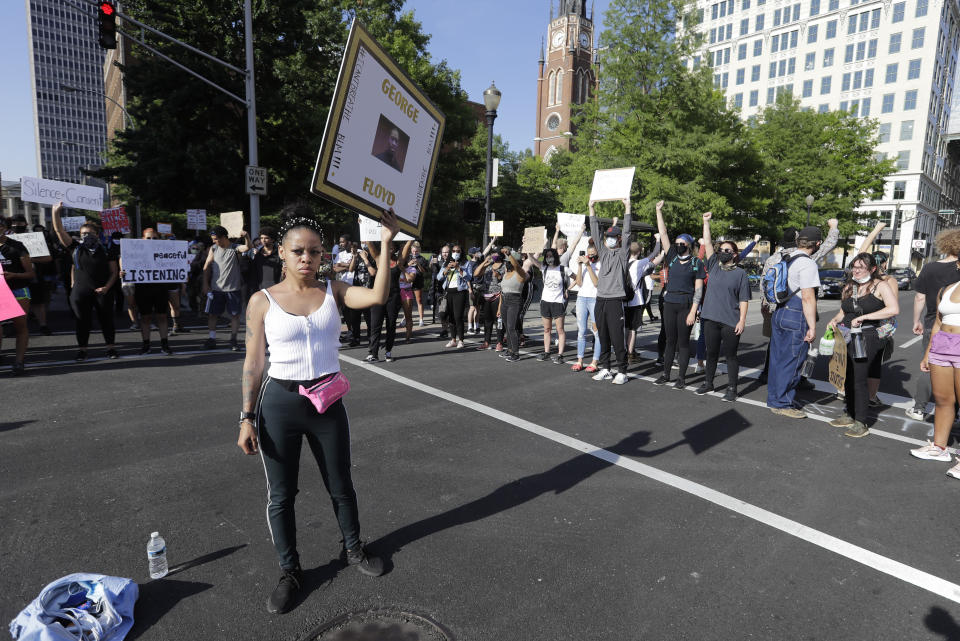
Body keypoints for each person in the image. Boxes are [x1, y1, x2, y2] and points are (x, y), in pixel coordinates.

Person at [238, 210, 396, 615]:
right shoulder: (263, 300)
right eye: (298, 251)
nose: (306, 258)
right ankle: (290, 571)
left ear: (322, 255)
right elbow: (254, 363)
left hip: (327, 403)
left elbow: (377, 296)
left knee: (341, 482)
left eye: (313, 251)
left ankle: (354, 549)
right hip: (279, 405)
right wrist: (246, 417)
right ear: (283, 255)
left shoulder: (335, 290)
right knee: (282, 494)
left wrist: (387, 242)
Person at [825, 253, 899, 436]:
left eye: (861, 267)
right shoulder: (851, 285)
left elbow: (893, 309)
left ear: (873, 269)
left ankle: (861, 421)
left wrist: (865, 317)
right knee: (847, 375)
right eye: (854, 267)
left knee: (859, 378)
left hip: (868, 336)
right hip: (846, 336)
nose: (856, 270)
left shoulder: (880, 285)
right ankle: (849, 413)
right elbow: (844, 310)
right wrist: (834, 320)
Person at [759, 219, 840, 385]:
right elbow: (829, 244)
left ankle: (768, 375)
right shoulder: (804, 256)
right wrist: (834, 227)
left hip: (775, 307)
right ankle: (795, 381)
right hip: (797, 309)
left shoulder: (773, 259)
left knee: (776, 346)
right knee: (798, 347)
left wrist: (765, 303)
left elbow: (763, 282)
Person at [766, 226, 823, 418]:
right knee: (792, 359)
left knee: (777, 359)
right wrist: (812, 327)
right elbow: (808, 297)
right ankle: (782, 403)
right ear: (817, 244)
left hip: (781, 311)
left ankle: (775, 398)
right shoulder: (808, 264)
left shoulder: (787, 258)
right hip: (796, 314)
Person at [51, 203, 120, 361]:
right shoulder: (75, 248)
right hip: (81, 292)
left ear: (97, 234)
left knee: (107, 320)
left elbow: (114, 272)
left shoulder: (107, 250)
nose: (86, 236)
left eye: (89, 233)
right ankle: (82, 350)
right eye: (83, 234)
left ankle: (111, 348)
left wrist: (107, 287)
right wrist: (55, 213)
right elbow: (59, 231)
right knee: (82, 322)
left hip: (103, 291)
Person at [696, 213, 752, 400]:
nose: (723, 252)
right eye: (722, 249)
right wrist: (706, 222)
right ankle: (708, 383)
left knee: (730, 356)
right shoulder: (713, 265)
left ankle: (732, 389)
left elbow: (744, 299)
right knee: (710, 354)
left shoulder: (741, 274)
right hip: (710, 318)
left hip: (730, 322)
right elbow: (709, 243)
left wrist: (742, 321)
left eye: (728, 250)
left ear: (735, 254)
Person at [906, 227, 960, 420]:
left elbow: (919, 298)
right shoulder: (958, 268)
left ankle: (919, 408)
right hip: (955, 324)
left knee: (929, 365)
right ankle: (953, 413)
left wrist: (915, 321)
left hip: (933, 321)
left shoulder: (930, 268)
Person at [653, 201, 706, 389]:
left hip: (686, 304)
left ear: (689, 245)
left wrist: (693, 311)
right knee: (670, 341)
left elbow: (698, 290)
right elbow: (664, 233)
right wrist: (659, 211)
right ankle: (666, 374)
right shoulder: (672, 257)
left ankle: (681, 378)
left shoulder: (696, 263)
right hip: (670, 303)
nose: (678, 246)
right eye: (676, 244)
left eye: (681, 244)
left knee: (683, 343)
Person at [585, 202, 633, 385]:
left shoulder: (622, 254)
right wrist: (591, 208)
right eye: (608, 237)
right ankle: (605, 368)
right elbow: (595, 232)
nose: (610, 239)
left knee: (616, 336)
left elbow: (627, 233)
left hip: (614, 301)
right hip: (600, 299)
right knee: (602, 335)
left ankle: (622, 370)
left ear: (619, 239)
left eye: (614, 237)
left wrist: (627, 208)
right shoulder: (603, 253)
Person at [127, 228, 175, 355]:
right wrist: (124, 272)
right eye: (148, 238)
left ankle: (165, 344)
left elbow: (174, 264)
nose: (151, 240)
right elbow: (128, 266)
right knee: (145, 317)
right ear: (143, 239)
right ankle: (146, 345)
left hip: (160, 288)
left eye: (154, 238)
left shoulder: (165, 251)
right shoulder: (135, 252)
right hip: (143, 288)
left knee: (162, 316)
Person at [202, 225, 250, 350]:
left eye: (216, 239)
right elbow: (206, 266)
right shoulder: (213, 248)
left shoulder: (234, 248)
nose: (214, 241)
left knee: (235, 316)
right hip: (216, 289)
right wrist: (205, 284)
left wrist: (247, 237)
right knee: (212, 315)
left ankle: (233, 340)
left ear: (224, 237)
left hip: (233, 289)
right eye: (213, 239)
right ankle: (211, 339)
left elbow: (248, 247)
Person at [365, 239, 411, 362]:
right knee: (375, 325)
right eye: (387, 245)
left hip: (393, 297)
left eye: (392, 246)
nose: (390, 247)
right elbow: (370, 246)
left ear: (395, 248)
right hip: (378, 296)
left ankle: (388, 352)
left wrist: (412, 237)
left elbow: (406, 249)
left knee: (391, 325)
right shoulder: (379, 259)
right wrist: (364, 228)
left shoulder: (398, 261)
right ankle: (373, 353)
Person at [0, 217, 34, 375]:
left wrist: (14, 275)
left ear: (6, 228)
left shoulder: (17, 246)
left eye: (0, 225)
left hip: (18, 291)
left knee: (20, 327)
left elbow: (30, 273)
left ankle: (19, 362)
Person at [625, 236, 664, 362]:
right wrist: (658, 240)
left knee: (625, 327)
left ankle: (625, 350)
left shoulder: (624, 262)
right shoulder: (639, 263)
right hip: (635, 300)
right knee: (633, 329)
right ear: (639, 251)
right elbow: (654, 255)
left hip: (623, 300)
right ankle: (630, 353)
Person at [571, 243, 601, 373]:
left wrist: (588, 265)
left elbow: (597, 283)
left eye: (593, 254)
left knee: (596, 332)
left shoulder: (601, 265)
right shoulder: (584, 265)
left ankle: (595, 361)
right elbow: (579, 283)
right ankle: (580, 360)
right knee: (581, 331)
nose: (590, 256)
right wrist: (579, 266)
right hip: (582, 298)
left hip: (594, 299)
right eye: (589, 254)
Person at [438, 244, 472, 349]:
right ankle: (453, 340)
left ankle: (461, 340)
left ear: (461, 252)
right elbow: (439, 277)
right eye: (453, 251)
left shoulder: (466, 263)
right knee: (451, 317)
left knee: (458, 317)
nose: (455, 253)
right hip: (449, 292)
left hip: (459, 292)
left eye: (458, 251)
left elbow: (469, 277)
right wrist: (447, 268)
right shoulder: (446, 263)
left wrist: (459, 268)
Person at [471, 249, 506, 351]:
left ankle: (499, 342)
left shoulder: (504, 266)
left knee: (498, 320)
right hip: (486, 296)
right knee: (487, 321)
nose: (494, 255)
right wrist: (484, 262)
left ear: (500, 255)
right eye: (492, 253)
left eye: (496, 253)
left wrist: (499, 276)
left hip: (497, 296)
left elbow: (506, 279)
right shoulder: (489, 266)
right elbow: (476, 274)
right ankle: (487, 342)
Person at [498, 249, 528, 362]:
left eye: (508, 261)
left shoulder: (520, 273)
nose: (507, 263)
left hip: (515, 301)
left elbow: (517, 265)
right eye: (506, 261)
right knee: (507, 327)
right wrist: (500, 306)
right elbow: (502, 290)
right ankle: (510, 350)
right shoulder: (506, 273)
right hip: (505, 300)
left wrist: (509, 254)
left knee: (512, 327)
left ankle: (516, 353)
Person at [345, 246, 375, 347]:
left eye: (366, 252)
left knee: (369, 318)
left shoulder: (373, 260)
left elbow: (372, 273)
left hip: (368, 293)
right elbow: (350, 269)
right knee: (355, 318)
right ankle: (356, 338)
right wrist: (354, 256)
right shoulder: (358, 259)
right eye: (363, 252)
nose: (363, 253)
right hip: (357, 292)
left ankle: (371, 339)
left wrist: (366, 259)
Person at [248, 226, 283, 293]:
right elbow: (254, 274)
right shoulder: (257, 255)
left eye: (266, 238)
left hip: (277, 290)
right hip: (261, 290)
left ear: (272, 239)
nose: (263, 240)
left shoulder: (279, 254)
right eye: (261, 238)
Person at [430, 244, 451, 334]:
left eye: (446, 252)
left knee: (450, 311)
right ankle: (444, 329)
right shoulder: (438, 261)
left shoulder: (453, 261)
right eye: (443, 252)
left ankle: (451, 328)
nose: (445, 254)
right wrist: (432, 263)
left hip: (451, 289)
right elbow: (434, 272)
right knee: (442, 312)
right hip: (440, 289)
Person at [409, 241, 429, 326]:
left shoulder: (422, 259)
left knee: (419, 300)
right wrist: (409, 264)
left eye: (416, 251)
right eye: (413, 251)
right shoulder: (408, 257)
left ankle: (421, 319)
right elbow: (402, 267)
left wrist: (418, 264)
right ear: (411, 250)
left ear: (419, 251)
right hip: (408, 282)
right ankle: (406, 318)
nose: (414, 253)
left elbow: (424, 271)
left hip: (418, 281)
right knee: (408, 302)